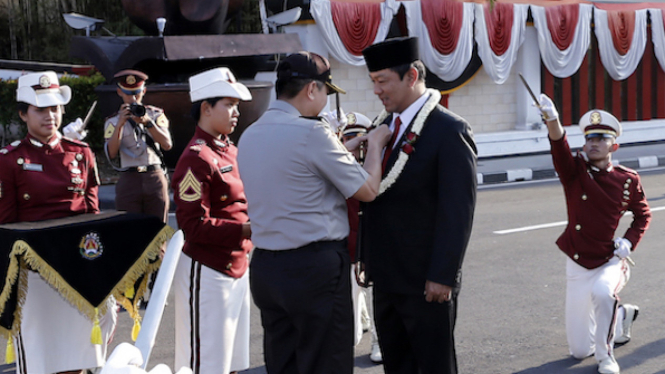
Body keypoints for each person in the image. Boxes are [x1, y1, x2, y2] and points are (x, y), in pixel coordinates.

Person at [237, 51, 391, 374]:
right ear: (311, 90)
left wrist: (339, 151)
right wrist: (374, 145)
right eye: (324, 91)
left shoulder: (249, 135)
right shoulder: (312, 133)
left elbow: (293, 171)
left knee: (284, 364)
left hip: (267, 266)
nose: (324, 99)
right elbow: (368, 190)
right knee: (327, 364)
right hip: (312, 269)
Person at [360, 37, 477, 374]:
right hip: (386, 277)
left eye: (383, 81)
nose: (377, 91)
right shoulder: (383, 127)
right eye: (373, 82)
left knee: (432, 367)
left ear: (411, 76)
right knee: (397, 366)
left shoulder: (448, 130)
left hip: (426, 283)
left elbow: (457, 212)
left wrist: (443, 276)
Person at [0, 71, 117, 374]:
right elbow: (6, 224)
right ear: (23, 113)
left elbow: (94, 218)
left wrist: (103, 271)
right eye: (40, 109)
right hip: (34, 276)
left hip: (79, 267)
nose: (50, 116)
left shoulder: (81, 153)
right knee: (42, 361)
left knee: (79, 358)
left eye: (55, 108)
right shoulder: (10, 160)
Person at [536, 94, 651, 374]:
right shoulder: (574, 172)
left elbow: (642, 215)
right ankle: (622, 316)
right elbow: (559, 147)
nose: (594, 143)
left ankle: (606, 356)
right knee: (577, 351)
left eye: (601, 138)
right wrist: (552, 120)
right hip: (577, 261)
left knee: (603, 294)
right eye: (589, 139)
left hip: (609, 259)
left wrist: (629, 241)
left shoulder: (627, 180)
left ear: (615, 145)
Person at [170, 67, 253, 374]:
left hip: (237, 265)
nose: (236, 113)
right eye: (228, 105)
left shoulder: (229, 149)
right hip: (208, 270)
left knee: (230, 360)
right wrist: (246, 229)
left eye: (237, 106)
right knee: (204, 363)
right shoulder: (197, 157)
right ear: (205, 108)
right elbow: (192, 226)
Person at [337, 111, 382, 364]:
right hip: (347, 245)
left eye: (360, 143)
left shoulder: (375, 167)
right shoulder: (337, 167)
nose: (355, 151)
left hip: (371, 243)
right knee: (353, 294)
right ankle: (362, 321)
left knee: (376, 293)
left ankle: (378, 339)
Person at [104, 69, 172, 223]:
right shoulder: (112, 122)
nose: (133, 98)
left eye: (137, 93)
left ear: (144, 91)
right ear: (119, 92)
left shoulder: (155, 115)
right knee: (129, 231)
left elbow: (167, 144)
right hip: (129, 178)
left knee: (158, 230)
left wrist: (148, 123)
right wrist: (120, 125)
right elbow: (112, 153)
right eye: (128, 93)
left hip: (154, 176)